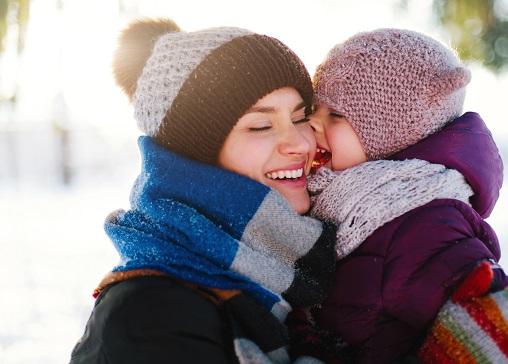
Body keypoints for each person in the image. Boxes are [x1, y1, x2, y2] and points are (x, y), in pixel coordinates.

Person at [69, 18, 337, 364]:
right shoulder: (153, 312)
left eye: (300, 118)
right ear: (197, 157)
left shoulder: (297, 270)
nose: (301, 143)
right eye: (261, 125)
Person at [297, 28, 508, 363]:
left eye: (335, 114)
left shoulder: (422, 226)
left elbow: (501, 343)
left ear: (393, 133)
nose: (312, 121)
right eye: (314, 106)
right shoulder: (337, 204)